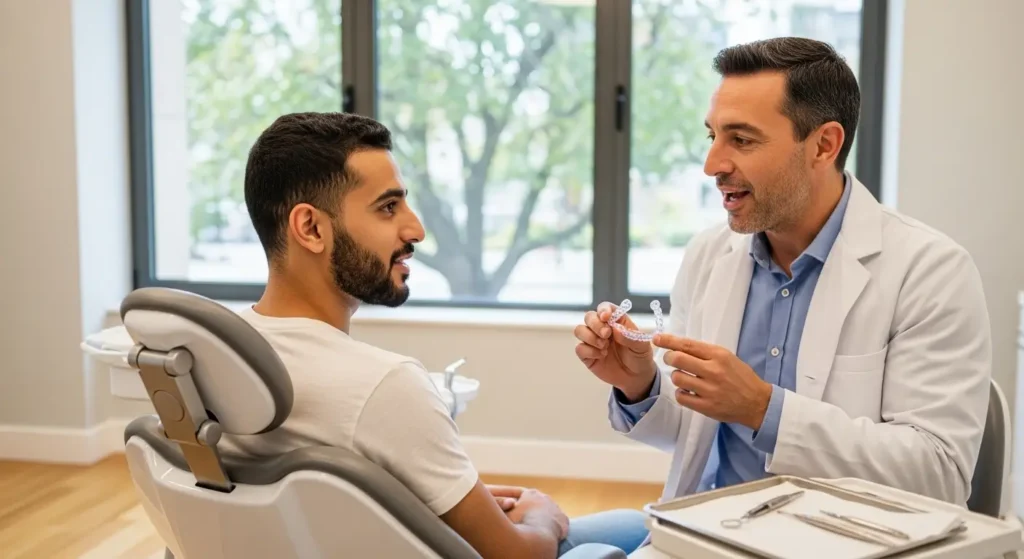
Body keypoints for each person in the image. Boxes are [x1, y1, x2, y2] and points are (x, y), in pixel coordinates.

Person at [574, 37, 992, 511]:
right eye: (713, 136)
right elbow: (692, 437)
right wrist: (640, 384)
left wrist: (762, 408)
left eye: (742, 139)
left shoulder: (931, 272)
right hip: (712, 528)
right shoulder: (708, 255)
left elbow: (938, 475)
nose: (713, 165)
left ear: (824, 145)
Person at [219, 111, 649, 558]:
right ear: (311, 228)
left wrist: (451, 495)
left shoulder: (220, 358)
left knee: (638, 524)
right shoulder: (384, 385)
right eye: (388, 207)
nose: (416, 229)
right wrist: (542, 516)